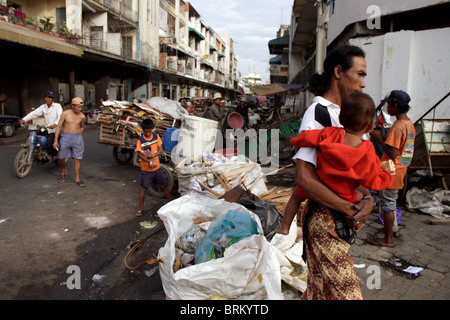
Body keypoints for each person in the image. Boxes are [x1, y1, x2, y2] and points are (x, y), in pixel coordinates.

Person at [293, 45, 375, 300]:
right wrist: (348, 208)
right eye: (359, 74)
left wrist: (369, 200)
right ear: (338, 72)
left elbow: (355, 174)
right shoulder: (318, 114)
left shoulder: (353, 114)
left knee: (320, 290)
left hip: (340, 221)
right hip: (324, 220)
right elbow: (304, 178)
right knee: (346, 294)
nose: (363, 83)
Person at [276, 92, 393, 235]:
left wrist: (296, 142)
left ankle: (285, 227)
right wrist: (387, 176)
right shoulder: (368, 151)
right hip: (345, 196)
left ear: (340, 118)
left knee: (296, 195)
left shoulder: (329, 134)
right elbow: (371, 180)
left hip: (321, 185)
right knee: (363, 197)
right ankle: (352, 225)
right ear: (370, 126)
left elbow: (307, 137)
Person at [369, 90, 415, 247]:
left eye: (389, 104)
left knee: (387, 204)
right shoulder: (409, 124)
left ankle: (388, 239)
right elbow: (399, 148)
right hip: (401, 169)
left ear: (396, 106)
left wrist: (377, 139)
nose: (387, 107)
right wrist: (382, 137)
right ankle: (394, 230)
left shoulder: (397, 127)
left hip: (391, 170)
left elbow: (392, 152)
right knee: (392, 202)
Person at [136, 119, 173, 217]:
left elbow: (161, 149)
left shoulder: (156, 137)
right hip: (146, 169)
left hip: (156, 167)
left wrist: (154, 155)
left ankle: (171, 203)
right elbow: (140, 154)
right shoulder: (140, 140)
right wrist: (148, 161)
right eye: (145, 132)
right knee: (143, 188)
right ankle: (140, 209)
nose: (147, 133)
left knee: (163, 185)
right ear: (143, 130)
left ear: (152, 129)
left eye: (149, 131)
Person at [53, 97, 87, 187]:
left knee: (77, 159)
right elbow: (59, 126)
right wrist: (55, 140)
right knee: (61, 157)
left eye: (81, 107)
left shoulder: (82, 116)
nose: (80, 109)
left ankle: (77, 179)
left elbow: (82, 126)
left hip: (77, 138)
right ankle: (63, 170)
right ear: (73, 106)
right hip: (66, 137)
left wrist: (80, 137)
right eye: (78, 107)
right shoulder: (65, 114)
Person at [19, 90, 63, 159]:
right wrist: (24, 119)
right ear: (45, 98)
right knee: (33, 135)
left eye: (50, 98)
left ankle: (55, 154)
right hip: (45, 129)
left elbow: (60, 116)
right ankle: (36, 150)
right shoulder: (43, 107)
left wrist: (55, 124)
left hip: (54, 130)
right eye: (46, 97)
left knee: (49, 144)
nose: (48, 99)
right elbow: (34, 113)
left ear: (52, 99)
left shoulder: (57, 106)